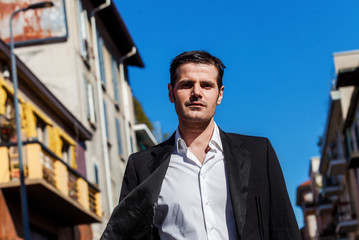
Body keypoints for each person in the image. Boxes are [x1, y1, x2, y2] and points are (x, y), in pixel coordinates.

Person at [100, 51, 301, 240]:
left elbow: (284, 228)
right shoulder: (142, 166)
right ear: (171, 92)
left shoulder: (258, 153)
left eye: (206, 85)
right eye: (187, 85)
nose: (196, 93)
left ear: (220, 94)